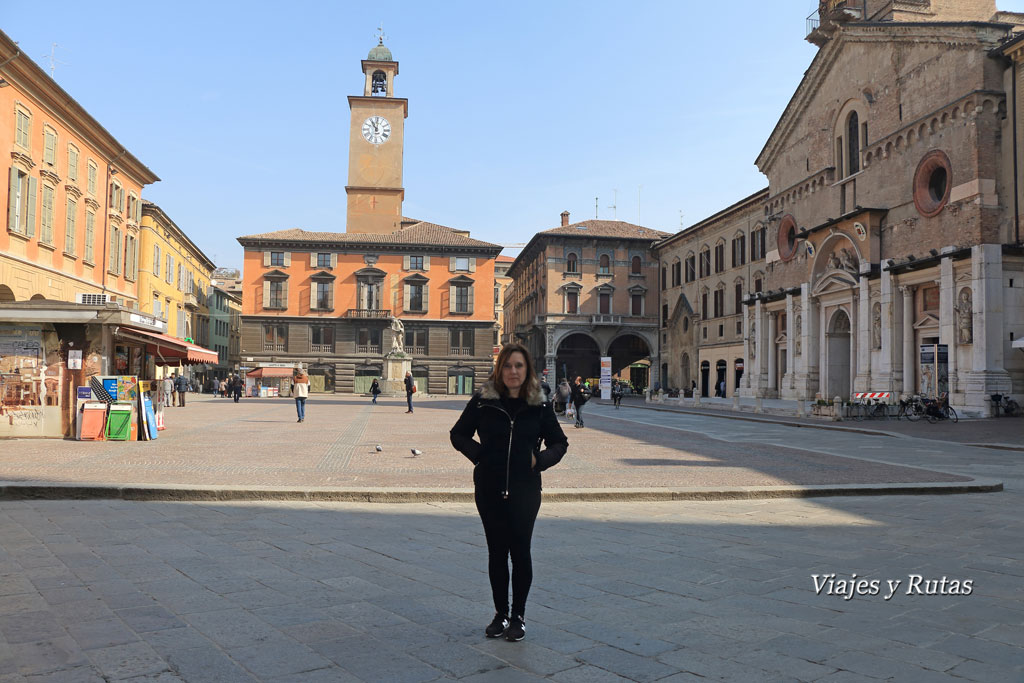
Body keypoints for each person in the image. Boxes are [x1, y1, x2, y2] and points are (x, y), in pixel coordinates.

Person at [449, 343, 568, 643]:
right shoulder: (483, 400)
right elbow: (458, 433)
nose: (513, 371)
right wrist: (480, 455)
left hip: (524, 489)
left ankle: (518, 616)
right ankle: (500, 614)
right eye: (507, 366)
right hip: (488, 488)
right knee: (496, 553)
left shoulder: (539, 405)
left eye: (519, 366)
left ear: (527, 370)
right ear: (499, 369)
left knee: (521, 551)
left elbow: (559, 443)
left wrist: (538, 461)